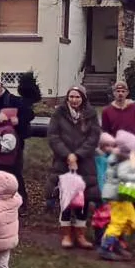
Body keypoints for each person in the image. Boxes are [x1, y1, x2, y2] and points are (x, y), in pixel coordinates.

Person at [47, 86, 101, 249]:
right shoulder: (59, 114)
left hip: (84, 163)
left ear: (83, 98)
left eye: (77, 97)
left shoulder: (90, 114)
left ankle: (80, 233)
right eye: (71, 96)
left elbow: (94, 137)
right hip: (63, 162)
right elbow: (53, 136)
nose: (74, 100)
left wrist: (78, 155)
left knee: (82, 199)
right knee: (66, 198)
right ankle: (66, 234)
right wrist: (67, 155)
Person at [0, 76, 37, 206]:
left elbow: (30, 114)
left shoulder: (14, 100)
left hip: (15, 145)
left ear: (1, 86)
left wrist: (18, 120)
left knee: (14, 173)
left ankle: (21, 203)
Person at [99, 131, 135, 262]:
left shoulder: (123, 158)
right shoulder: (121, 160)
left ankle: (115, 242)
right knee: (118, 221)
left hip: (124, 194)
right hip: (117, 196)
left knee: (131, 219)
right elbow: (123, 176)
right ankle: (105, 247)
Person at [100, 78, 135, 183]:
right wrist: (110, 149)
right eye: (118, 91)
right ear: (114, 92)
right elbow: (106, 132)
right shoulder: (107, 111)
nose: (120, 94)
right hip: (117, 150)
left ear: (127, 93)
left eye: (123, 91)